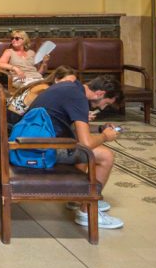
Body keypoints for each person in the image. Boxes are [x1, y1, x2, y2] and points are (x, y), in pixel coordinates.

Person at [25, 73, 125, 230]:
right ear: (100, 94)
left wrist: (99, 129)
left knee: (82, 150)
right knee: (105, 156)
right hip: (40, 149)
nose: (102, 108)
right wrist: (105, 136)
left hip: (35, 141)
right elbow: (86, 143)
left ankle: (78, 197)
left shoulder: (73, 88)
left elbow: (73, 130)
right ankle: (87, 212)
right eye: (106, 103)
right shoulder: (78, 98)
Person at [6, 64, 78, 125]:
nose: (70, 86)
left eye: (72, 83)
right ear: (56, 79)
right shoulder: (44, 88)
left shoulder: (45, 84)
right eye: (67, 82)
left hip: (16, 117)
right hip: (16, 120)